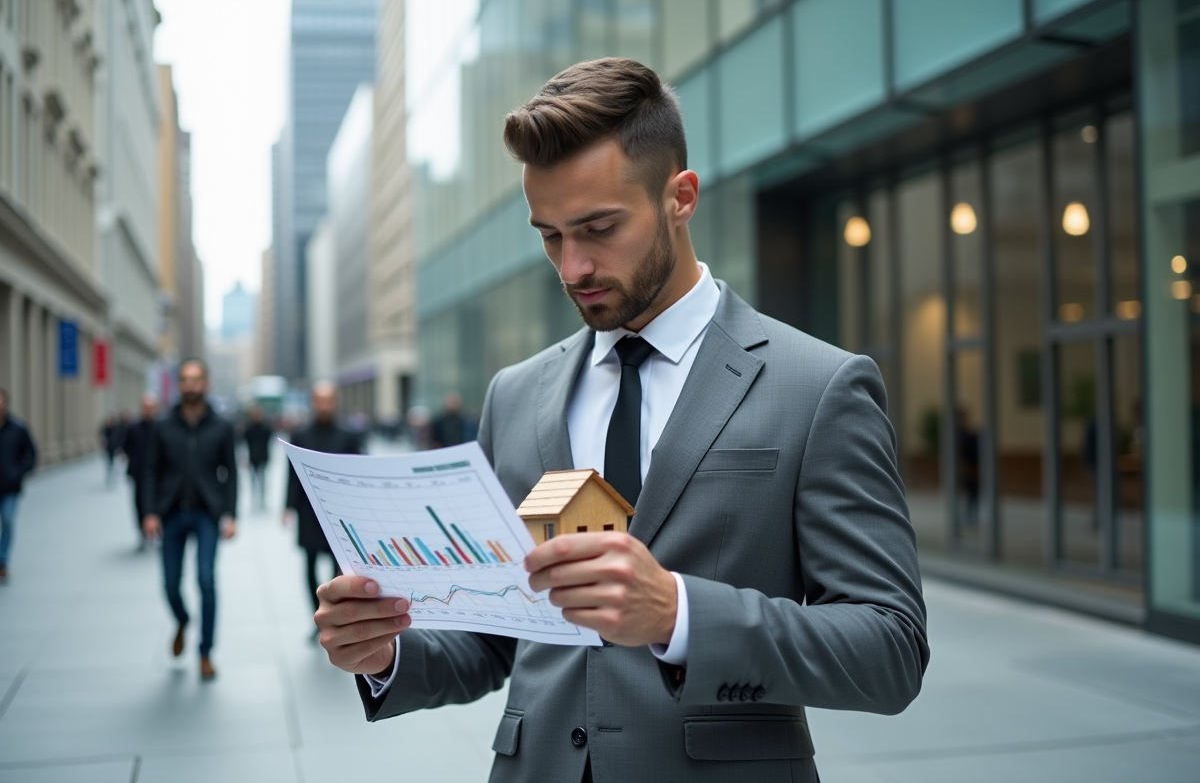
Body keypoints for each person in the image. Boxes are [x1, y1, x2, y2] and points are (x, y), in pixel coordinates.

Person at [314, 59, 928, 783]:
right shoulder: (515, 395)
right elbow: (496, 640)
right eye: (549, 236)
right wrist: (385, 655)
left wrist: (680, 615)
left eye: (599, 228)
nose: (573, 267)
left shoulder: (817, 386)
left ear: (681, 197)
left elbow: (889, 649)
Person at [141, 359, 238, 681]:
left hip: (206, 514)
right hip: (170, 514)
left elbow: (231, 473)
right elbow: (150, 470)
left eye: (196, 379)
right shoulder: (163, 424)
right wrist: (150, 512)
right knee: (170, 584)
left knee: (206, 579)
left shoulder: (221, 426)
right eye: (185, 379)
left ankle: (206, 652)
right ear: (179, 385)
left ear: (206, 383)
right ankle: (182, 619)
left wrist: (231, 514)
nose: (191, 384)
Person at [285, 382, 362, 638]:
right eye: (320, 400)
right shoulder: (300, 435)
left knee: (337, 570)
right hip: (309, 512)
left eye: (329, 400)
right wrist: (288, 506)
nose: (324, 405)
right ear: (312, 402)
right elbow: (292, 474)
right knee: (309, 566)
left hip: (339, 514)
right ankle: (318, 615)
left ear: (335, 402)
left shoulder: (349, 435)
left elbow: (357, 472)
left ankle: (333, 618)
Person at [0, 387, 38, 583]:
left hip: (10, 487)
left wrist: (18, 474)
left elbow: (32, 455)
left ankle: (2, 561)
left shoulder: (18, 428)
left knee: (7, 521)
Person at [121, 393, 159, 550]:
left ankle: (156, 533)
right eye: (146, 408)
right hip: (138, 474)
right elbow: (126, 446)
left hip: (158, 475)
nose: (148, 411)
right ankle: (142, 533)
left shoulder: (161, 427)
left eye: (151, 408)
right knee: (139, 503)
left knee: (158, 504)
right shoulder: (134, 428)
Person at [241, 405, 273, 510]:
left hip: (262, 456)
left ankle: (261, 498)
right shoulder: (250, 428)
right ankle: (255, 497)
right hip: (253, 457)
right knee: (254, 478)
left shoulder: (263, 427)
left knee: (261, 478)